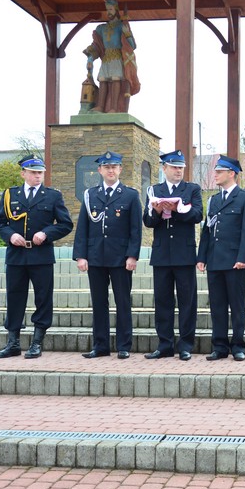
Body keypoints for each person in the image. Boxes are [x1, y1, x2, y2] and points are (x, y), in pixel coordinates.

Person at [0, 155, 73, 359]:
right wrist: (10, 236)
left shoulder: (53, 196)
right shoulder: (10, 195)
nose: (38, 176)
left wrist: (46, 233)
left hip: (41, 255)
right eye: (34, 172)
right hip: (16, 255)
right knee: (14, 297)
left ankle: (37, 342)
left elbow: (65, 224)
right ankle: (13, 342)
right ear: (23, 173)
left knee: (43, 298)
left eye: (40, 173)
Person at [73, 151, 143, 360]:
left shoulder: (130, 195)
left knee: (122, 302)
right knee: (98, 303)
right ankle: (100, 345)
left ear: (120, 169)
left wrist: (132, 255)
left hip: (120, 258)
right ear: (100, 170)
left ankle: (123, 345)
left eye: (114, 167)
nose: (110, 170)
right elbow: (83, 227)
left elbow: (135, 230)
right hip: (95, 256)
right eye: (107, 167)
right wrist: (81, 256)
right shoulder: (90, 195)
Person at [197, 156, 245, 361]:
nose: (215, 174)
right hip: (215, 260)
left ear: (231, 173)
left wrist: (243, 258)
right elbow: (207, 230)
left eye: (219, 171)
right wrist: (202, 257)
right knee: (217, 306)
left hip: (235, 262)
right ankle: (220, 346)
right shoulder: (213, 200)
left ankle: (238, 346)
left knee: (237, 306)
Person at [143, 150, 203, 361]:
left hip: (184, 254)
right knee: (162, 301)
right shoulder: (154, 190)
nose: (178, 171)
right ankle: (165, 345)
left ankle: (185, 345)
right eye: (174, 167)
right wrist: (158, 211)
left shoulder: (192, 189)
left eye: (181, 167)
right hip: (161, 254)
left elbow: (198, 215)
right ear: (164, 168)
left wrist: (178, 209)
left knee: (187, 301)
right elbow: (148, 221)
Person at [83, 0, 140, 114]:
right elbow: (97, 45)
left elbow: (132, 45)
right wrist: (90, 51)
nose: (108, 12)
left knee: (115, 79)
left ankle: (114, 107)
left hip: (117, 56)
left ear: (116, 10)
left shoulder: (120, 26)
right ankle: (100, 106)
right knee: (103, 80)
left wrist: (127, 33)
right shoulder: (101, 28)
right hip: (106, 57)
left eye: (110, 9)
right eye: (107, 10)